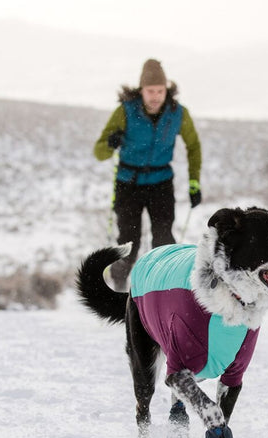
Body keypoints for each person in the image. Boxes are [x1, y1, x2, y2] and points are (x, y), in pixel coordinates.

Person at [93, 58, 202, 290]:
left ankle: (162, 290)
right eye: (150, 90)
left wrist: (194, 183)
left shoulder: (178, 114)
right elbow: (99, 151)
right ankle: (119, 287)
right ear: (141, 90)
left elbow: (194, 147)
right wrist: (111, 143)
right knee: (128, 244)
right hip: (128, 183)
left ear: (167, 90)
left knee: (163, 241)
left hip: (161, 182)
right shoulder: (125, 111)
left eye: (160, 91)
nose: (155, 96)